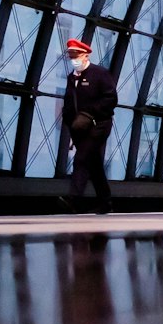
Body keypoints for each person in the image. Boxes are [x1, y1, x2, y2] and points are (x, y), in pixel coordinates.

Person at [62, 38, 117, 214]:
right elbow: (69, 102)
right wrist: (69, 121)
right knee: (94, 164)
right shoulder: (72, 78)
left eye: (75, 55)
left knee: (81, 158)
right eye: (70, 55)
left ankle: (72, 199)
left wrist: (89, 113)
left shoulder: (100, 74)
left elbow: (110, 99)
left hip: (98, 125)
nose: (73, 59)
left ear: (85, 55)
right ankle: (105, 201)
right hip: (79, 127)